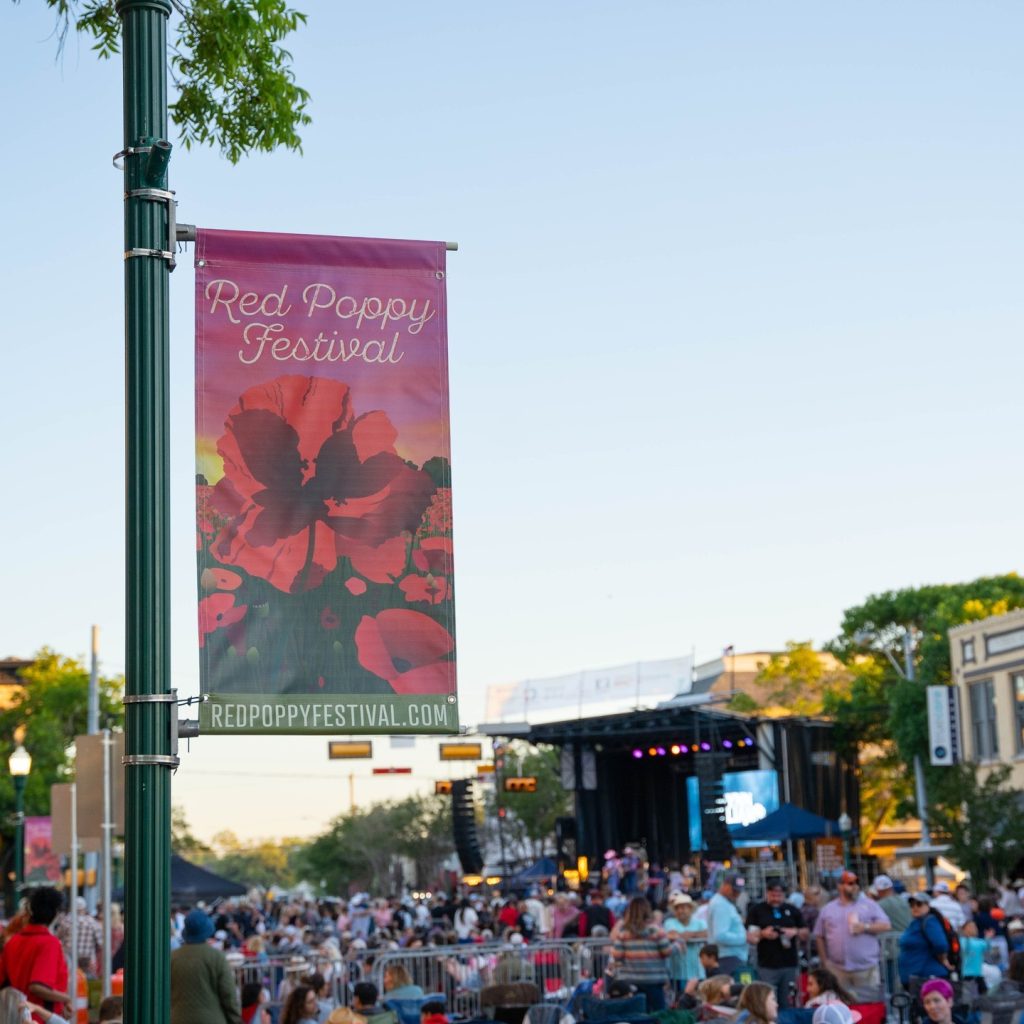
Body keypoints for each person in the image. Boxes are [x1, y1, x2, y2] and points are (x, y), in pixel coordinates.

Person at [813, 871, 890, 999]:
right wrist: (825, 961)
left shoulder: (869, 905)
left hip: (865, 969)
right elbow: (819, 935)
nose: (854, 886)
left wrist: (865, 927)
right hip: (837, 969)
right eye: (850, 883)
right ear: (840, 886)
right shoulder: (828, 909)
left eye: (856, 883)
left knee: (868, 1007)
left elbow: (886, 925)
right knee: (841, 1006)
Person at [0, 887, 71, 1019]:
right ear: (55, 913)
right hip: (40, 1017)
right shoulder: (49, 943)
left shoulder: (13, 941)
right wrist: (66, 998)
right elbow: (37, 987)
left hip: (14, 1017)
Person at [170, 907, 242, 1024]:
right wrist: (235, 1019)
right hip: (212, 1019)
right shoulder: (216, 957)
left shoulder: (173, 958)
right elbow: (228, 995)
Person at [746, 880, 806, 1008]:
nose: (776, 899)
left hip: (789, 963)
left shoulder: (792, 910)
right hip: (766, 964)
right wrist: (763, 934)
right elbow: (750, 936)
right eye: (773, 895)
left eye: (779, 896)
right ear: (767, 893)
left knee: (789, 1001)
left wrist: (793, 931)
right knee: (767, 1001)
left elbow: (805, 932)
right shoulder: (757, 910)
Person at [609, 895, 671, 1012]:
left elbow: (617, 955)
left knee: (636, 1014)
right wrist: (678, 945)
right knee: (657, 1014)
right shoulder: (656, 930)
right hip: (654, 979)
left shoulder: (624, 933)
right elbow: (666, 951)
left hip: (631, 980)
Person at [898, 891, 949, 989]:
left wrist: (942, 958)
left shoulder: (930, 921)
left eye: (919, 904)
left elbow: (941, 945)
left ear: (928, 905)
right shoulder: (915, 923)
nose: (915, 907)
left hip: (926, 976)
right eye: (912, 905)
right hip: (914, 977)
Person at [708, 872, 750, 975]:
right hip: (728, 958)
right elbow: (720, 936)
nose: (737, 894)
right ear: (725, 885)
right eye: (734, 890)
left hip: (731, 957)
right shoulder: (720, 905)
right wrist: (745, 938)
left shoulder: (724, 903)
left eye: (739, 891)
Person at [665, 892, 707, 992]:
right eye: (677, 908)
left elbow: (706, 933)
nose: (680, 911)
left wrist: (687, 934)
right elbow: (671, 934)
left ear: (690, 909)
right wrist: (693, 934)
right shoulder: (670, 922)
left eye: (683, 907)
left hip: (697, 971)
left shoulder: (700, 922)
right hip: (677, 972)